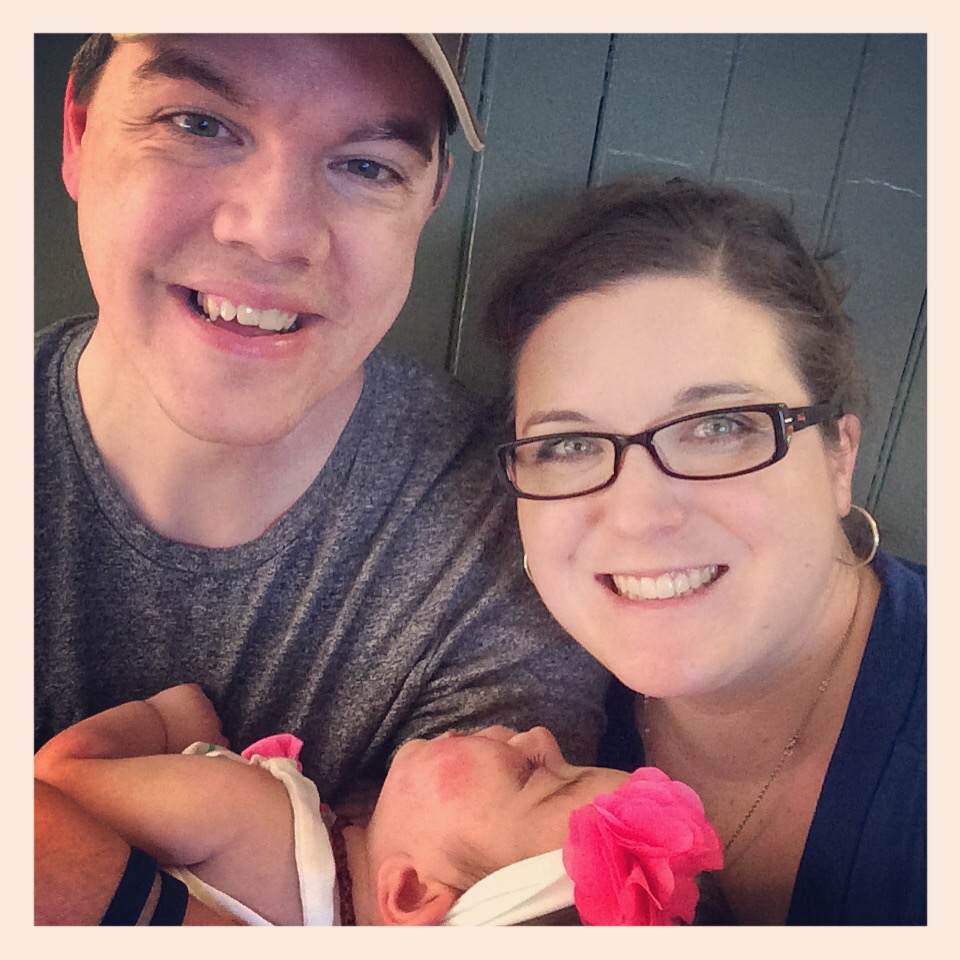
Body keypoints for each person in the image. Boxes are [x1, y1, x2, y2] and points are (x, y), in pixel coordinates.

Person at [35, 34, 610, 786]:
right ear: (78, 136)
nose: (274, 234)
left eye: (367, 167)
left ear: (429, 200)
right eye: (197, 124)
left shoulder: (508, 540)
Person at [485, 176, 926, 925]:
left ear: (839, 459)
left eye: (720, 427)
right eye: (569, 444)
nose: (638, 516)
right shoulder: (515, 723)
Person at [33, 683, 725, 926]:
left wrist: (168, 715)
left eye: (534, 777)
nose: (543, 736)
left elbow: (52, 785)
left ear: (410, 892)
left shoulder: (250, 815)